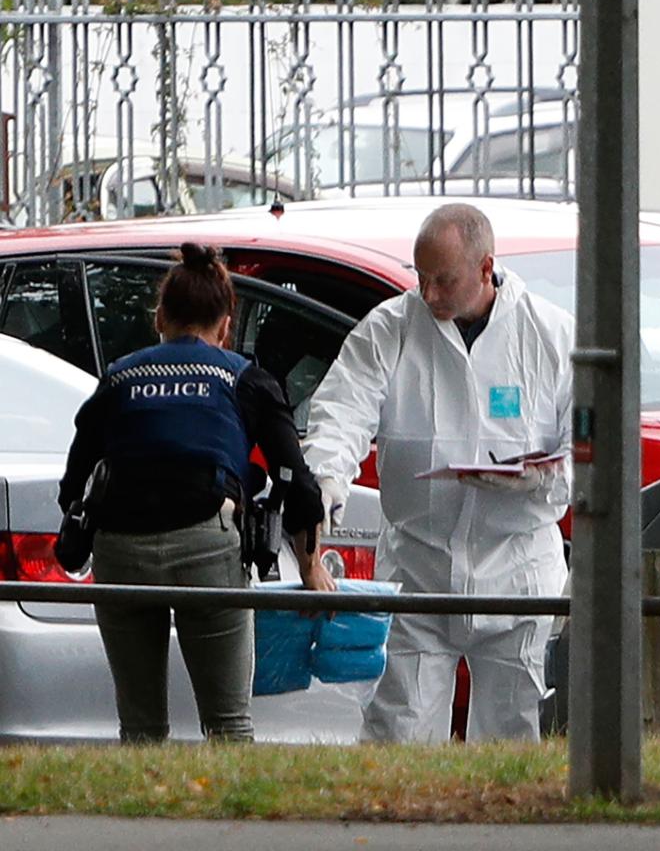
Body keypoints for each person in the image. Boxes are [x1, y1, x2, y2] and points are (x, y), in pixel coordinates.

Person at [304, 202, 573, 743]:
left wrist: (540, 480)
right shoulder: (391, 329)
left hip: (516, 570)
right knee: (398, 736)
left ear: (485, 267)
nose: (428, 294)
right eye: (420, 277)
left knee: (516, 738)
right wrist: (325, 480)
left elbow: (591, 452)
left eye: (443, 280)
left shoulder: (550, 336)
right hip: (417, 566)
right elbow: (341, 410)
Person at [57, 242, 336, 743]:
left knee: (140, 729)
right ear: (227, 325)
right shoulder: (242, 377)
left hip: (119, 554)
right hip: (207, 544)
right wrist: (312, 567)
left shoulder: (120, 376)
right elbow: (297, 482)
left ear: (159, 318)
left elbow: (74, 483)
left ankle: (142, 817)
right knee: (228, 725)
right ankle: (231, 818)